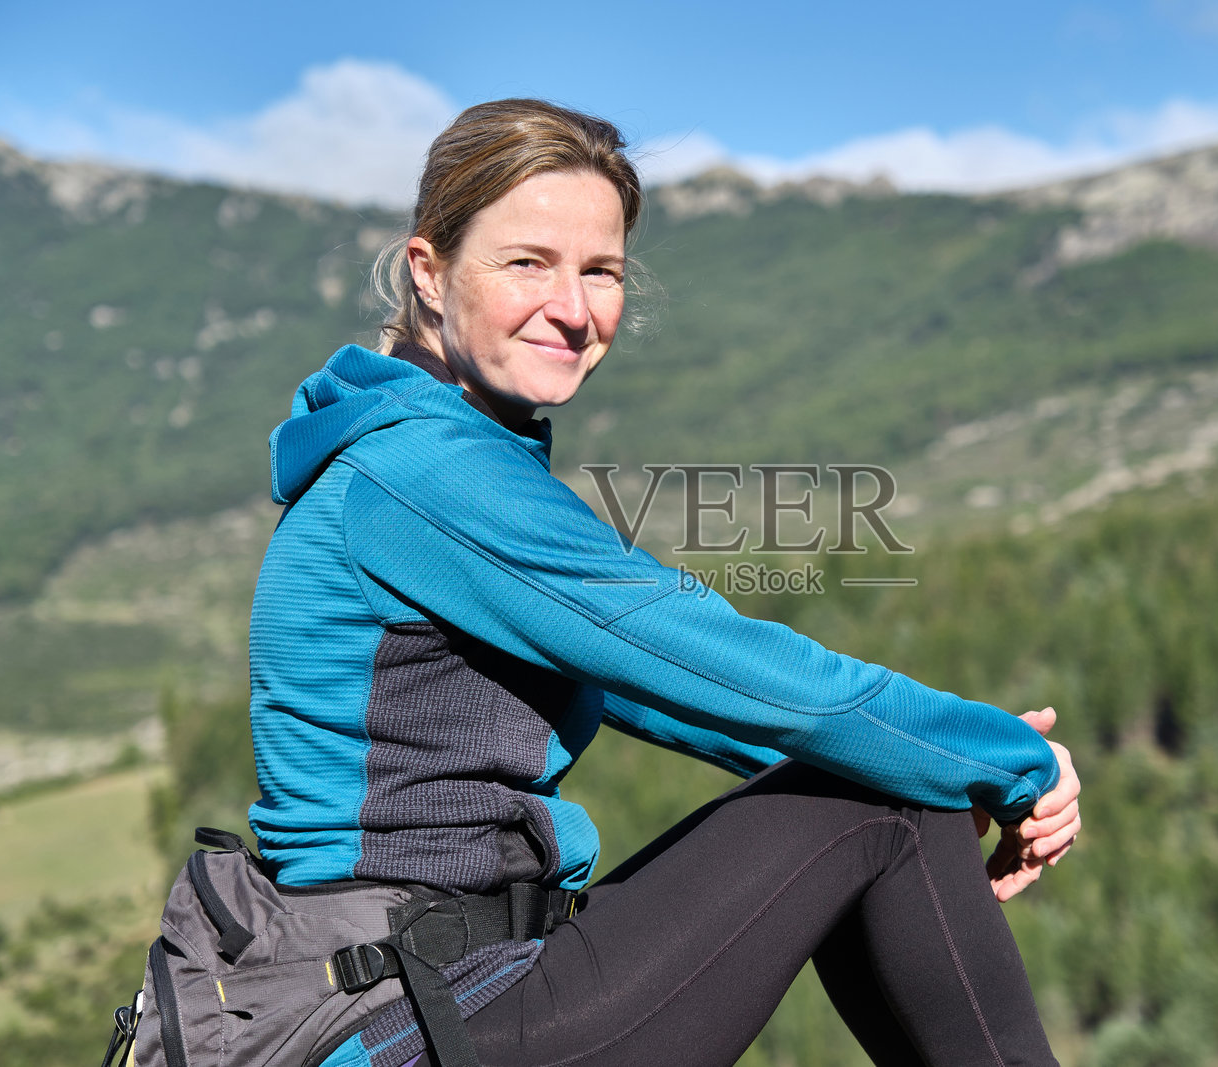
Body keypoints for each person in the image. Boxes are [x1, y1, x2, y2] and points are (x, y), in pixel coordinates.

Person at [250, 98, 1081, 1067]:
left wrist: (943, 758)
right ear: (427, 273)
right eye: (527, 262)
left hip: (450, 982)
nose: (572, 307)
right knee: (887, 790)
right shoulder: (425, 475)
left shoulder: (423, 457)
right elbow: (714, 660)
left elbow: (653, 687)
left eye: (598, 270)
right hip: (414, 1020)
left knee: (889, 772)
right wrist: (1003, 759)